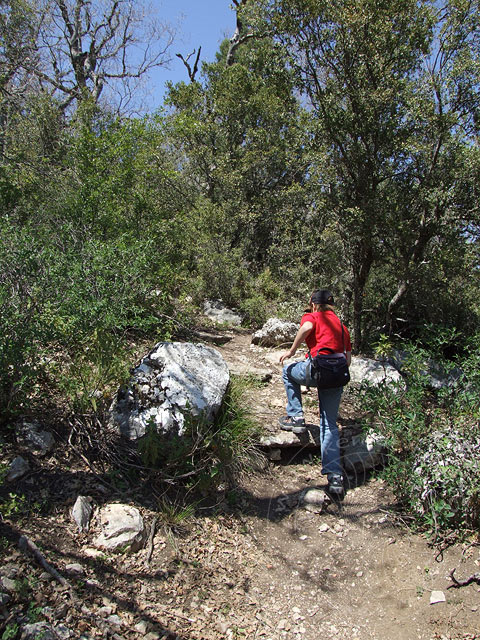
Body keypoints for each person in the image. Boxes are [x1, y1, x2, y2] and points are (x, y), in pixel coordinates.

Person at [279, 289, 352, 499]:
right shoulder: (341, 326)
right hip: (337, 374)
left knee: (288, 372)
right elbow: (347, 361)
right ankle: (335, 477)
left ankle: (296, 416)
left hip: (317, 370)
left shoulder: (312, 316)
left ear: (313, 304)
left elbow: (307, 328)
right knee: (329, 424)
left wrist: (292, 351)